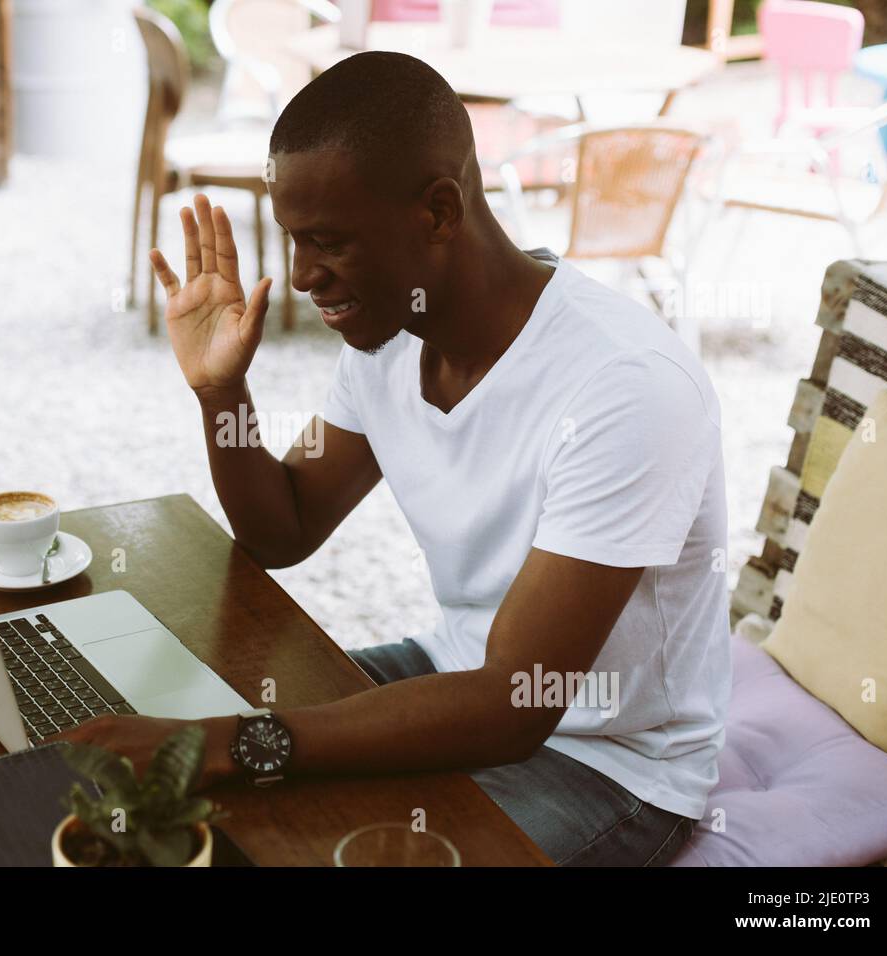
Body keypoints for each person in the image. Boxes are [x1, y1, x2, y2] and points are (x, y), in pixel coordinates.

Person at [57, 51, 730, 867]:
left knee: (264, 818)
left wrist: (237, 745)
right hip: (452, 674)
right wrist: (220, 391)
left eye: (328, 241)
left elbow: (516, 704)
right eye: (294, 242)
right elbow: (285, 529)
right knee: (146, 759)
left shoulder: (624, 389)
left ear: (439, 212)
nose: (303, 276)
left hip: (607, 765)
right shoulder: (388, 340)